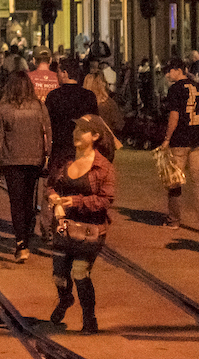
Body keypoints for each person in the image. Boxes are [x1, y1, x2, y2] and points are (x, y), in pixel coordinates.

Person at [46, 116, 117, 335]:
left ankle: (90, 320)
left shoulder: (103, 167)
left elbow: (106, 200)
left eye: (83, 130)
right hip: (64, 227)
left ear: (95, 136)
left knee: (79, 272)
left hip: (90, 230)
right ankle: (65, 298)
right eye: (76, 128)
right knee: (59, 274)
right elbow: (51, 186)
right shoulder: (64, 160)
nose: (77, 133)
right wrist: (53, 198)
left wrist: (75, 201)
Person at [0, 70, 51, 262]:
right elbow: (47, 131)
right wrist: (47, 154)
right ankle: (26, 234)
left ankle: (21, 243)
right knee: (29, 200)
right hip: (34, 159)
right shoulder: (38, 106)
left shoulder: (4, 108)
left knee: (16, 202)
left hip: (12, 160)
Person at [158, 57, 199, 234]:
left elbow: (174, 116)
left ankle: (174, 220)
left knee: (175, 180)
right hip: (197, 140)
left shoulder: (175, 89)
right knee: (198, 181)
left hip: (180, 140)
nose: (167, 74)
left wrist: (167, 138)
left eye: (169, 71)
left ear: (178, 70)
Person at [45, 57, 99, 170]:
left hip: (60, 150)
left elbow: (47, 124)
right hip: (83, 150)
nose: (57, 75)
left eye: (58, 72)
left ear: (65, 73)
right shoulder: (89, 96)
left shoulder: (54, 97)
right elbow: (95, 123)